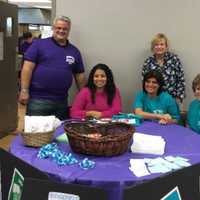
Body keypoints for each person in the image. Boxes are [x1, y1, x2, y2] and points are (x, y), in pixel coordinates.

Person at [19, 16, 86, 120]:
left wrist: (85, 98)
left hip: (62, 102)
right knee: (36, 134)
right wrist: (24, 91)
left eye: (65, 29)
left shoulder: (74, 51)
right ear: (53, 28)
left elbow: (80, 76)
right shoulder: (39, 44)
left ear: (69, 30)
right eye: (58, 28)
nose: (61, 31)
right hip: (38, 100)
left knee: (59, 134)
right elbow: (27, 68)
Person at [142, 33, 185, 103]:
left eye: (162, 44)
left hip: (172, 98)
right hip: (154, 99)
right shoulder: (148, 62)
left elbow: (181, 79)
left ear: (166, 47)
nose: (159, 47)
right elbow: (145, 82)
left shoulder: (174, 59)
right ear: (153, 47)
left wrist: (179, 98)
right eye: (156, 45)